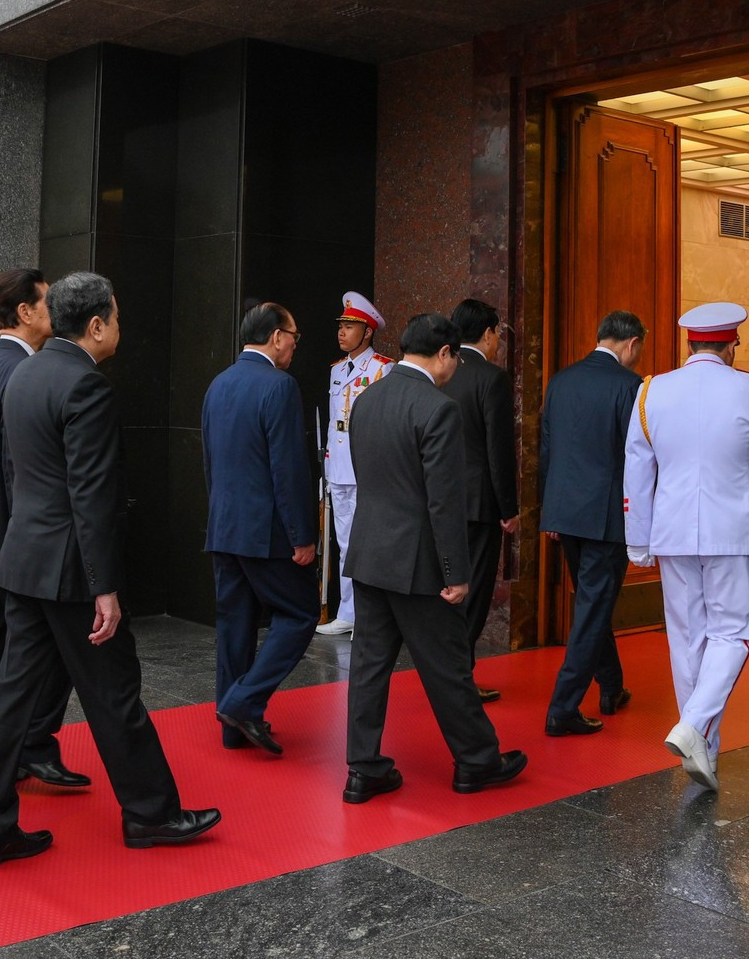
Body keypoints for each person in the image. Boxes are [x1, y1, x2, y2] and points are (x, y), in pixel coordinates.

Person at [0, 272, 219, 869]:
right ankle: (152, 814)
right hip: (71, 570)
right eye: (119, 318)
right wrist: (104, 586)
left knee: (11, 700)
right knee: (114, 694)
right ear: (97, 325)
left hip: (24, 562)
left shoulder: (23, 373)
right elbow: (92, 495)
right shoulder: (85, 386)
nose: (120, 331)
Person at [341, 312, 527, 804]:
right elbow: (443, 501)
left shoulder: (367, 399)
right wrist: (457, 573)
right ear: (444, 354)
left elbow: (368, 477)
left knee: (368, 666)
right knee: (447, 666)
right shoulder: (436, 408)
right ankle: (477, 762)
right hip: (418, 562)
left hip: (369, 553)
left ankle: (363, 768)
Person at [624, 302, 749, 792]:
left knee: (687, 636)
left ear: (689, 343)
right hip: (732, 529)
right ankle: (694, 726)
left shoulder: (652, 389)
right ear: (731, 344)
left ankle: (703, 751)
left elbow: (637, 468)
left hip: (671, 531)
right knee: (734, 632)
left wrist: (638, 538)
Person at [0, 268, 89, 797]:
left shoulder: (0, 363)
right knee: (20, 651)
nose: (55, 312)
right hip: (7, 534)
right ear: (27, 313)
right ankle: (18, 749)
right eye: (47, 302)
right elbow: (16, 467)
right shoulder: (18, 369)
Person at [201, 302, 318, 755]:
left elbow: (211, 462)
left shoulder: (218, 384)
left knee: (235, 625)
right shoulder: (280, 386)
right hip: (267, 533)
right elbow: (288, 470)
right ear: (275, 336)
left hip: (225, 527)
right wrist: (302, 536)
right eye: (293, 335)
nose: (294, 344)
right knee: (302, 613)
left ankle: (234, 727)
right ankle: (243, 703)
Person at [537, 311, 645, 737]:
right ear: (632, 343)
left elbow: (547, 450)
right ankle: (562, 708)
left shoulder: (561, 380)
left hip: (565, 513)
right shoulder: (631, 387)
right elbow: (638, 460)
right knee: (591, 610)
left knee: (591, 604)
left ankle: (612, 687)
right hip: (606, 517)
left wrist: (549, 511)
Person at [441, 298, 519, 702]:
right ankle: (459, 677)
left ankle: (449, 672)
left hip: (439, 501)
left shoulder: (440, 373)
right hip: (478, 505)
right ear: (488, 334)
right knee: (473, 593)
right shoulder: (492, 378)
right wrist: (509, 509)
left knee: (446, 591)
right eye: (497, 335)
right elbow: (499, 450)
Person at [318, 291, 391, 636]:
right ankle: (349, 612)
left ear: (368, 332)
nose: (342, 331)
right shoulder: (335, 370)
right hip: (339, 470)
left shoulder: (382, 369)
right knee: (344, 543)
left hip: (368, 470)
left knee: (370, 542)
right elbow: (336, 424)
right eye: (342, 325)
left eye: (351, 325)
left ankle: (374, 614)